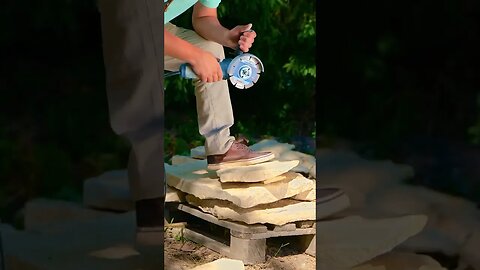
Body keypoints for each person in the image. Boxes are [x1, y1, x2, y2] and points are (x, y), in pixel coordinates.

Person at [97, 0, 273, 245]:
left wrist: (226, 36)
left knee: (210, 48)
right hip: (123, 26)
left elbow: (203, 17)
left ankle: (220, 148)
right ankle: (148, 207)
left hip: (157, 28)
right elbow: (138, 24)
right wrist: (194, 56)